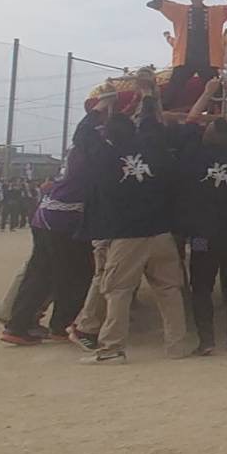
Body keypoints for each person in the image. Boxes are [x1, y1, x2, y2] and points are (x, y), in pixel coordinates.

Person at [68, 77, 189, 364]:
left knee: (118, 290)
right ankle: (177, 346)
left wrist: (105, 104)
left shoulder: (103, 155)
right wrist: (148, 95)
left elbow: (83, 135)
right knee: (169, 290)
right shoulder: (152, 147)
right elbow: (151, 122)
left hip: (128, 235)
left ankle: (112, 348)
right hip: (161, 232)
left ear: (107, 135)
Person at [0, 109, 100, 346]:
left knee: (39, 272)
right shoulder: (95, 157)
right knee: (75, 275)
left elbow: (86, 128)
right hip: (65, 221)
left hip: (44, 215)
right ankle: (61, 325)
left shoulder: (76, 152)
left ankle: (18, 324)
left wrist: (98, 112)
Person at [170, 80, 227, 354]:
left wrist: (207, 92)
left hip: (203, 236)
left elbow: (191, 120)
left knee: (201, 287)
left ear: (205, 136)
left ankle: (206, 340)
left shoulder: (192, 154)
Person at [148, 0, 227, 105]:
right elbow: (157, 4)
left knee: (216, 89)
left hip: (207, 59)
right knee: (174, 87)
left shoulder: (215, 12)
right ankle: (161, 112)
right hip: (186, 58)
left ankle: (222, 114)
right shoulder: (180, 11)